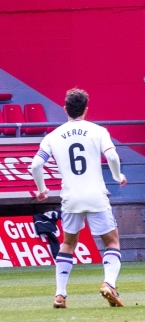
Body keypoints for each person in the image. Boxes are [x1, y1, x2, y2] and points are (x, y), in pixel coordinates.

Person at [30, 88, 127, 309]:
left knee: (68, 244)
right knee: (111, 242)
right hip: (95, 196)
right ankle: (109, 284)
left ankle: (60, 295)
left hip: (71, 198)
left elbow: (36, 165)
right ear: (86, 109)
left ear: (65, 109)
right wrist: (117, 176)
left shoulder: (53, 136)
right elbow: (111, 155)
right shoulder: (98, 131)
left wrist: (42, 189)